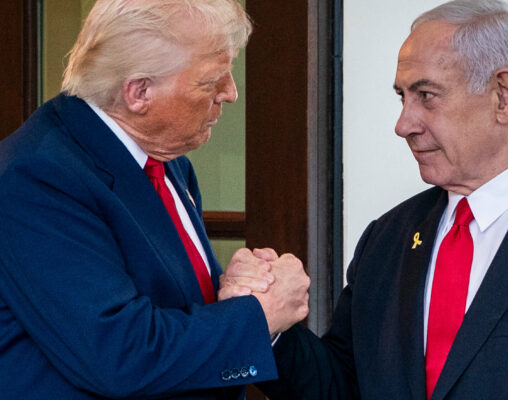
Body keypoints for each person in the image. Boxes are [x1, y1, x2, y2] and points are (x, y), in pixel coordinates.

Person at [223, 0, 508, 399]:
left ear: (502, 96)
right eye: (402, 97)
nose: (403, 124)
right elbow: (340, 386)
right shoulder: (387, 238)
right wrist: (269, 327)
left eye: (427, 95)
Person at [0, 0, 309, 398]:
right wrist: (259, 314)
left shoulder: (166, 161)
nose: (230, 93)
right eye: (210, 80)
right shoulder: (38, 178)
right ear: (139, 92)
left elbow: (176, 308)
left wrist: (236, 291)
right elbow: (120, 354)